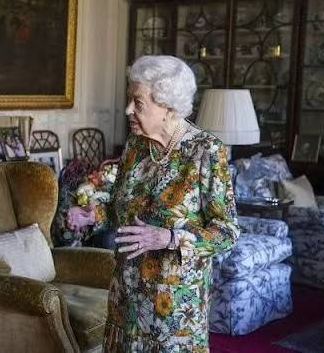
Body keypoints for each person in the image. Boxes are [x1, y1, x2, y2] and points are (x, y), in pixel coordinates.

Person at [103, 55, 240, 352]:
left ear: (168, 107)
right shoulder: (136, 146)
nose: (128, 110)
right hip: (126, 295)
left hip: (174, 307)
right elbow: (117, 204)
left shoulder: (206, 151)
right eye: (130, 100)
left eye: (138, 103)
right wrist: (92, 214)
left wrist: (169, 237)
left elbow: (227, 231)